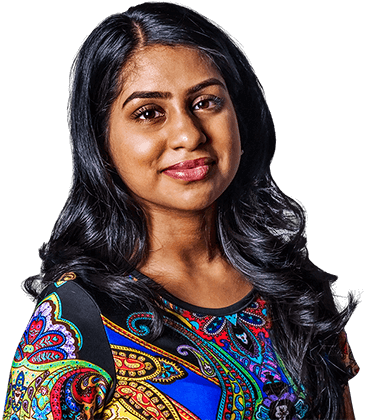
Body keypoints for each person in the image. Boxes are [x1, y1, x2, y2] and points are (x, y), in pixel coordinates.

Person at [2, 2, 359, 419]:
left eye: (207, 102)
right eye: (149, 113)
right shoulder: (73, 324)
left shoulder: (294, 288)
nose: (189, 134)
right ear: (101, 142)